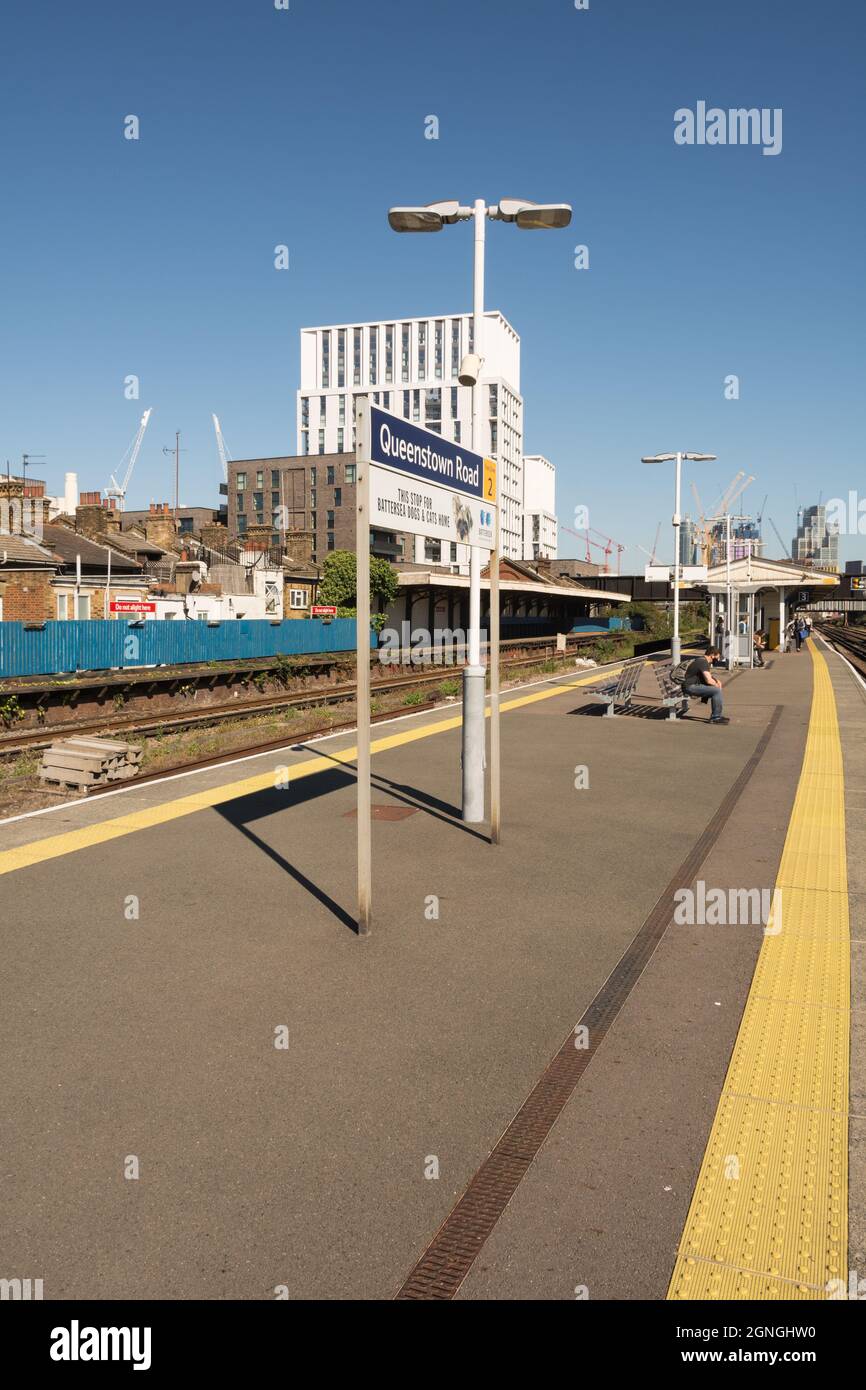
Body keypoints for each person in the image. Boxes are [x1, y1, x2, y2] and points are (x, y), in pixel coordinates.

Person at [682, 646, 729, 724]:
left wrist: (717, 681)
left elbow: (708, 676)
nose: (716, 660)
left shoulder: (703, 660)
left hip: (691, 685)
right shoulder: (703, 662)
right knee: (716, 691)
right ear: (712, 655)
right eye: (716, 658)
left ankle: (717, 715)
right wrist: (716, 685)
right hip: (690, 687)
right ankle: (715, 717)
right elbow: (708, 680)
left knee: (716, 689)